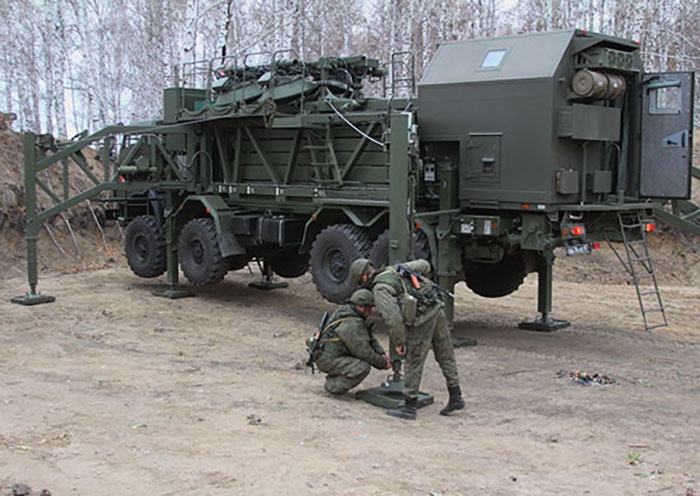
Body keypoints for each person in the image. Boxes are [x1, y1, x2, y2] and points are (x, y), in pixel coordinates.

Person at [349, 257, 465, 420]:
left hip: (421, 319)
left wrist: (399, 342)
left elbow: (393, 318)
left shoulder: (380, 288)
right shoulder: (395, 270)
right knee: (445, 354)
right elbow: (424, 265)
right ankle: (456, 396)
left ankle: (409, 407)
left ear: (363, 278)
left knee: (413, 360)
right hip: (435, 308)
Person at [313, 288, 391, 396]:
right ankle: (333, 386)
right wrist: (382, 363)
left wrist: (381, 353)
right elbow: (363, 351)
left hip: (332, 354)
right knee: (361, 367)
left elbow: (369, 337)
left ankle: (336, 376)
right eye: (369, 307)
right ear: (361, 307)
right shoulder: (352, 323)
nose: (372, 311)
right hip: (327, 359)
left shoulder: (349, 312)